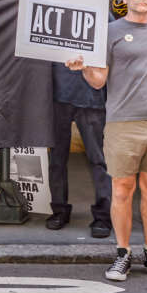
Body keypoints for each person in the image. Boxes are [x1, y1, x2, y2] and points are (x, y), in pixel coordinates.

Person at [67, 0, 147, 284]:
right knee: (122, 189)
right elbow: (99, 80)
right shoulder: (110, 32)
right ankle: (122, 254)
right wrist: (84, 69)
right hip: (124, 122)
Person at [47, 63, 111, 238]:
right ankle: (59, 209)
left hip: (91, 95)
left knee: (98, 159)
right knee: (56, 159)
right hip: (57, 93)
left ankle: (104, 216)